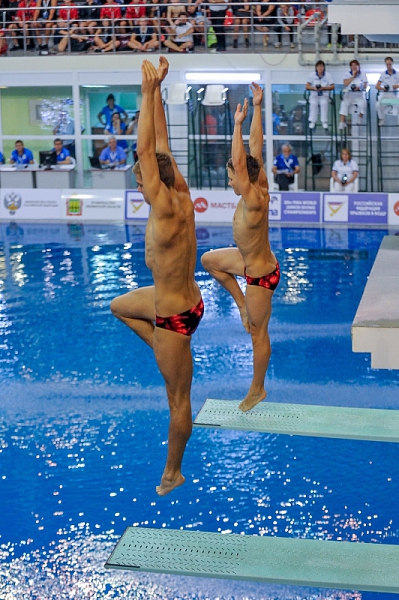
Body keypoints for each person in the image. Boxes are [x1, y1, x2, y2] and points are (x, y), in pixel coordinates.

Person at [110, 57, 203, 495]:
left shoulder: (163, 204)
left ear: (150, 179)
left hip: (175, 315)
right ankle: (162, 346)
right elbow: (160, 146)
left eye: (141, 173)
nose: (140, 173)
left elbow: (147, 151)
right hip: (182, 302)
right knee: (119, 307)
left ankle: (173, 472)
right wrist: (160, 91)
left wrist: (145, 92)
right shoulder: (180, 191)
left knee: (177, 400)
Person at [201, 83, 279, 413]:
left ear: (243, 178)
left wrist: (235, 125)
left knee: (258, 336)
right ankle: (242, 305)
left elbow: (239, 159)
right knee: (209, 260)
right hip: (245, 262)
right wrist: (258, 107)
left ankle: (257, 389)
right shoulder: (257, 180)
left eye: (231, 177)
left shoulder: (254, 196)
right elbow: (255, 148)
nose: (229, 182)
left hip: (260, 276)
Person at [339, 59, 368, 130]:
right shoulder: (347, 74)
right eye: (352, 66)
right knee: (344, 103)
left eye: (355, 65)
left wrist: (359, 87)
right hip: (349, 94)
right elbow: (345, 83)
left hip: (359, 94)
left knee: (363, 103)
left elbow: (365, 85)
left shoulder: (363, 74)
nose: (354, 67)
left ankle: (359, 118)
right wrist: (353, 76)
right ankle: (342, 122)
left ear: (358, 66)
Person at [306, 60, 335, 130]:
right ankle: (313, 121)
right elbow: (307, 86)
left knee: (324, 103)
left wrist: (324, 88)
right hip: (314, 94)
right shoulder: (312, 75)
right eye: (318, 66)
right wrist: (313, 88)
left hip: (324, 95)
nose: (320, 68)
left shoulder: (328, 75)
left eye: (321, 66)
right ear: (316, 68)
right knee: (313, 103)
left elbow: (332, 86)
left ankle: (324, 121)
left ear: (324, 67)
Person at [375, 56, 399, 126]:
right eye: (387, 64)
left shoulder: (397, 74)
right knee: (378, 105)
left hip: (394, 95)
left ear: (392, 63)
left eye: (390, 64)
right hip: (385, 95)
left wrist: (396, 86)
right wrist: (383, 89)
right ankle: (382, 119)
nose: (388, 66)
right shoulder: (383, 74)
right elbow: (377, 86)